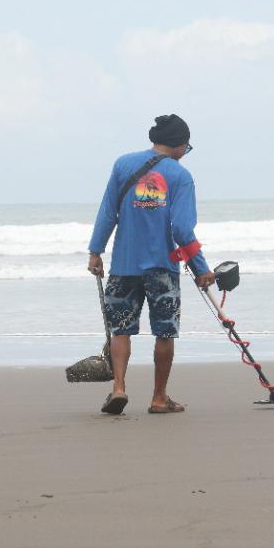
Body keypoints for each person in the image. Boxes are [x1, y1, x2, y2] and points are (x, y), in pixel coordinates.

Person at [87, 114, 216, 415]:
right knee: (165, 332)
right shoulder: (181, 177)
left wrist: (96, 251)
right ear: (181, 145)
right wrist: (201, 269)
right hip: (162, 267)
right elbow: (182, 230)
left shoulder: (123, 164)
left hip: (123, 265)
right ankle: (159, 398)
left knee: (121, 329)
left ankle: (118, 388)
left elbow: (108, 212)